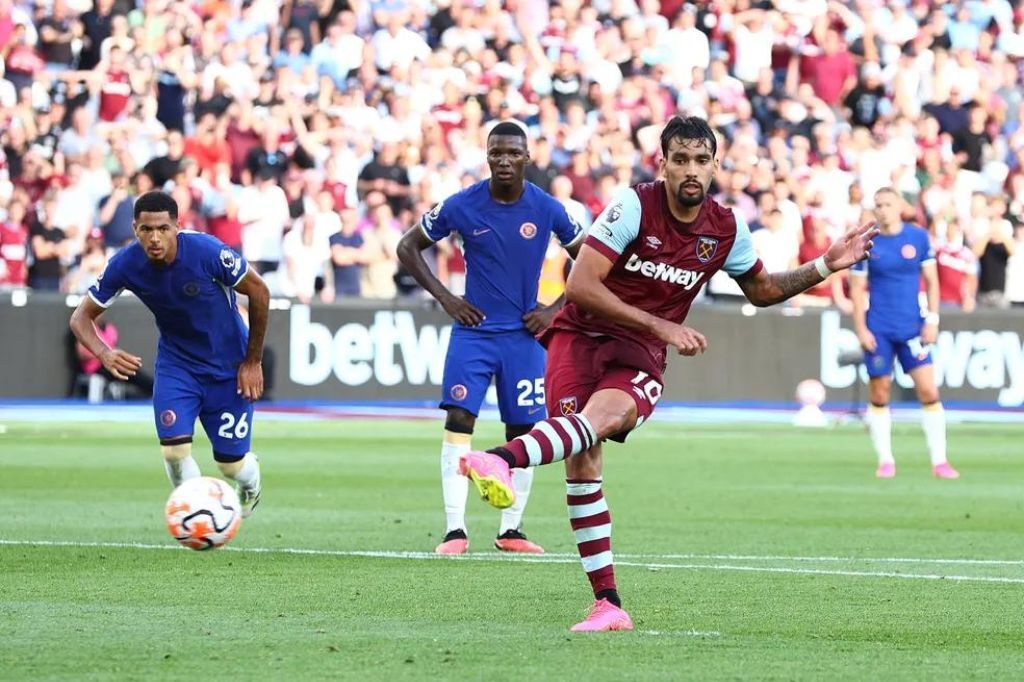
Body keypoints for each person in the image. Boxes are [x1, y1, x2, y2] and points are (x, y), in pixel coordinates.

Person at [456, 116, 876, 631]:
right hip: (580, 338)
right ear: (664, 165)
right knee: (583, 467)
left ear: (716, 165)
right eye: (681, 160)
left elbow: (763, 291)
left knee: (605, 418)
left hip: (640, 352)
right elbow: (582, 283)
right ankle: (608, 604)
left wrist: (824, 266)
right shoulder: (634, 205)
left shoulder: (725, 229)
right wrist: (663, 323)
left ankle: (499, 458)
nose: (691, 170)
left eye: (701, 160)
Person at [397, 121, 584, 556]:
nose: (504, 160)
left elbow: (591, 257)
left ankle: (511, 530)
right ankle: (454, 531)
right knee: (459, 420)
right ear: (486, 156)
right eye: (496, 153)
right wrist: (446, 297)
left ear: (527, 158)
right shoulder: (462, 204)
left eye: (512, 153)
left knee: (524, 429)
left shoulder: (547, 208)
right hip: (474, 334)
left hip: (523, 338)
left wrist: (554, 309)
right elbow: (408, 246)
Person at [69, 191, 270, 516]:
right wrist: (104, 353)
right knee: (174, 452)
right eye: (146, 229)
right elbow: (80, 317)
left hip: (230, 367)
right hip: (178, 366)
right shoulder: (125, 264)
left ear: (177, 225)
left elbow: (260, 291)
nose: (155, 237)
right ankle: (199, 516)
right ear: (135, 228)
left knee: (231, 465)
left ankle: (250, 486)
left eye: (163, 228)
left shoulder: (207, 252)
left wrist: (252, 361)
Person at [850, 187, 960, 481]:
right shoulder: (867, 242)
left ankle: (940, 461)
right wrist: (861, 328)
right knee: (880, 392)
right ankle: (885, 460)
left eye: (887, 204)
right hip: (879, 329)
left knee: (928, 391)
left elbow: (932, 282)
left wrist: (932, 320)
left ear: (899, 206)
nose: (882, 210)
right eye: (878, 205)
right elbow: (858, 290)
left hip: (913, 326)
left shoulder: (918, 237)